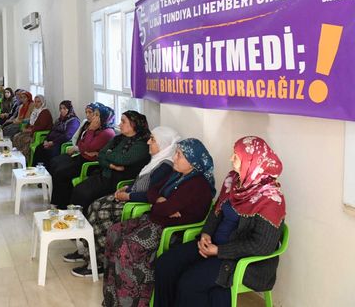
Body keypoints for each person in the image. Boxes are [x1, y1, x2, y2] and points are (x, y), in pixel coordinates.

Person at [154, 136, 286, 307]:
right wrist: (206, 234)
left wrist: (219, 250)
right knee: (166, 264)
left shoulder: (271, 199)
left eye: (236, 156)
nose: (231, 159)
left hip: (238, 258)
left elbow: (262, 245)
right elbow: (216, 212)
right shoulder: (234, 181)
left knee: (190, 283)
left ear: (252, 161)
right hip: (213, 245)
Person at [101, 138, 216, 307]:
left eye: (180, 155)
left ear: (193, 163)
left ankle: (133, 302)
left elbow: (163, 208)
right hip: (154, 220)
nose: (175, 157)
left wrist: (161, 204)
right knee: (113, 232)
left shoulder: (197, 185)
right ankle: (112, 298)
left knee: (127, 247)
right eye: (176, 153)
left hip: (171, 231)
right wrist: (161, 201)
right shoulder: (177, 174)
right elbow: (152, 191)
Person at [65, 127, 179, 275]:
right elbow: (140, 181)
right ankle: (88, 252)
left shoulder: (165, 166)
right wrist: (127, 188)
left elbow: (150, 194)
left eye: (153, 139)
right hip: (130, 196)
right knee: (94, 205)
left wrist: (128, 196)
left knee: (101, 214)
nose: (148, 142)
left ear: (164, 144)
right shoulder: (156, 160)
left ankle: (98, 263)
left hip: (139, 205)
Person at [49, 103, 116, 209]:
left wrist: (90, 131)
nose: (94, 117)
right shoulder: (97, 129)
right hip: (83, 157)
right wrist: (86, 146)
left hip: (91, 164)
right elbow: (81, 144)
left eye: (97, 115)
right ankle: (58, 200)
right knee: (58, 168)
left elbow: (87, 147)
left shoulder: (107, 132)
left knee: (62, 173)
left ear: (104, 118)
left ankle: (63, 205)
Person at [31, 100, 81, 168]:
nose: (62, 110)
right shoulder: (59, 120)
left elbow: (67, 136)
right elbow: (51, 131)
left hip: (60, 143)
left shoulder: (73, 121)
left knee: (50, 152)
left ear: (69, 109)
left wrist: (52, 143)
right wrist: (46, 140)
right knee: (39, 148)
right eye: (60, 108)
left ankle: (48, 172)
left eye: (64, 108)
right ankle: (36, 169)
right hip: (50, 142)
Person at [11, 94, 53, 160]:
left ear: (43, 102)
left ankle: (25, 160)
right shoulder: (35, 110)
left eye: (38, 102)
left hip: (39, 135)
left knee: (24, 140)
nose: (36, 104)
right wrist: (26, 127)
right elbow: (31, 122)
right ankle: (17, 158)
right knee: (16, 136)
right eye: (35, 101)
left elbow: (41, 127)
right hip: (32, 131)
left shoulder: (45, 112)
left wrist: (29, 130)